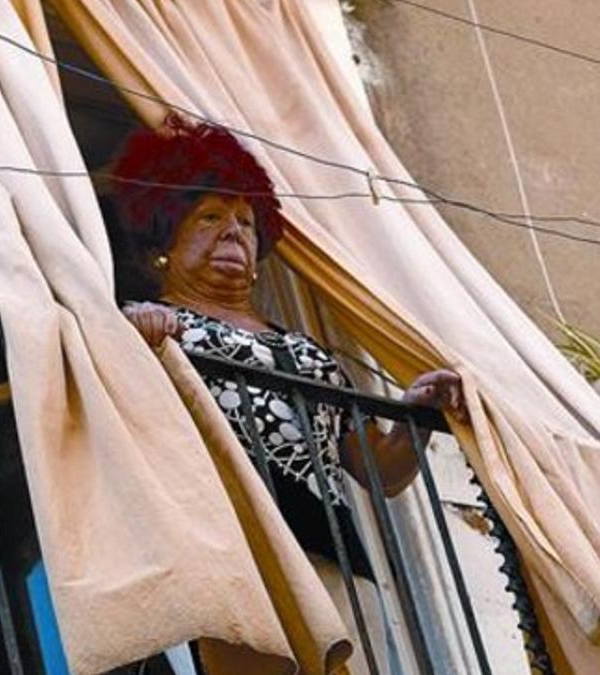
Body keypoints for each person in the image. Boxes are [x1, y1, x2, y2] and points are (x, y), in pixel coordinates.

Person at [114, 116, 465, 674]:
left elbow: (383, 472)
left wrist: (417, 417)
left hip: (336, 557)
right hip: (235, 555)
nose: (233, 232)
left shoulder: (310, 353)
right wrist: (133, 335)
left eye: (246, 223)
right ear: (163, 241)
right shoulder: (155, 328)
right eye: (209, 217)